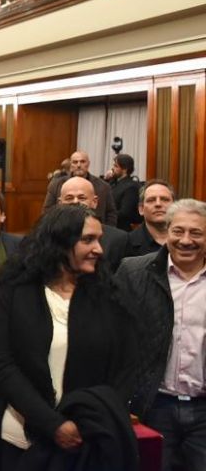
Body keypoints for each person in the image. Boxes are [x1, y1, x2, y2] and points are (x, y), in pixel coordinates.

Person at [0, 205, 138, 470]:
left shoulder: (110, 297)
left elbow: (125, 368)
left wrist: (91, 421)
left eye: (99, 239)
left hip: (88, 440)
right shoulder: (15, 292)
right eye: (87, 240)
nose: (99, 249)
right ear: (59, 242)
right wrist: (52, 424)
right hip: (17, 438)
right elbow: (4, 365)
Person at [115, 199, 206, 471]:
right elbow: (115, 339)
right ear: (166, 232)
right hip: (152, 407)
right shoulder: (133, 272)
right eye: (178, 231)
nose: (185, 240)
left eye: (196, 233)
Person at [57, 176, 128, 272]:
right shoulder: (47, 236)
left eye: (82, 198)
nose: (75, 202)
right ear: (60, 203)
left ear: (94, 202)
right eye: (69, 198)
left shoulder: (117, 239)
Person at [43, 150, 118, 227]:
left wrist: (107, 233)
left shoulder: (103, 186)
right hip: (63, 231)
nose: (78, 165)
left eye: (82, 162)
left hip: (96, 231)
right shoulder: (56, 185)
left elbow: (111, 213)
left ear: (88, 164)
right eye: (75, 162)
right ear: (70, 165)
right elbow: (48, 211)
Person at [126, 179, 174, 257]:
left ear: (175, 206)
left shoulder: (187, 241)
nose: (158, 204)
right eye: (151, 200)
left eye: (164, 199)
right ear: (141, 209)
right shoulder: (126, 244)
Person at [106, 153, 141, 230]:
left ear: (124, 169)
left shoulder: (131, 187)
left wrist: (107, 215)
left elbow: (125, 213)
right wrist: (106, 179)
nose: (112, 169)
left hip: (121, 229)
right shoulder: (113, 182)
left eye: (116, 166)